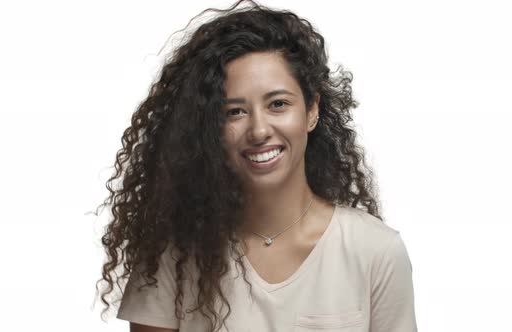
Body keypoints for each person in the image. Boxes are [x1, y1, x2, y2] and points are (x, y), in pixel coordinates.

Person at [94, 0, 418, 331]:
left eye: (278, 104)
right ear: (210, 129)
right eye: (234, 112)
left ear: (311, 111)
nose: (259, 130)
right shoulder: (172, 255)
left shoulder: (375, 252)